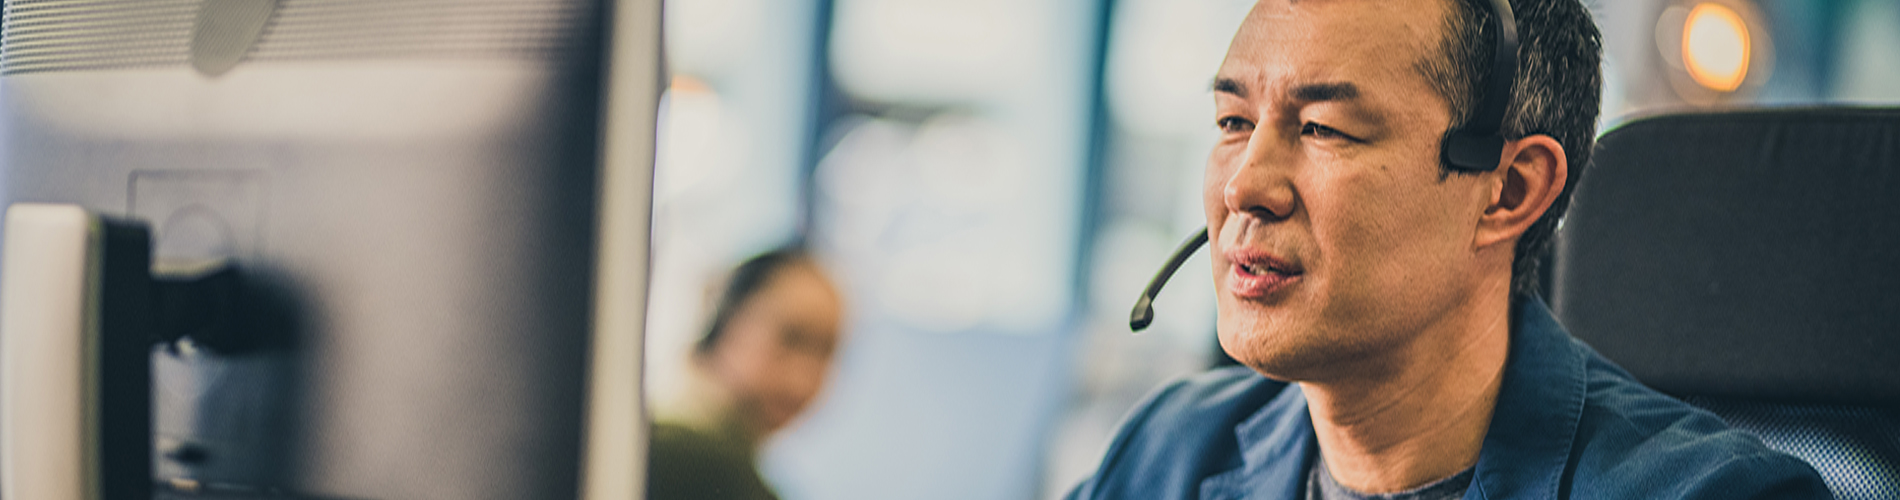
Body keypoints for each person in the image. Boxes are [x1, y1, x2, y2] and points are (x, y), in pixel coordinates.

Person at [1066, 0, 1832, 499]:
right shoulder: (1167, 453)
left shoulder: (1716, 494)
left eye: (1324, 129)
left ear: (1507, 191)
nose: (1245, 187)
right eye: (1233, 122)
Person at [647, 249, 845, 500]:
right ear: (728, 318)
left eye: (826, 351)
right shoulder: (695, 458)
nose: (802, 377)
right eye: (791, 339)